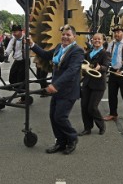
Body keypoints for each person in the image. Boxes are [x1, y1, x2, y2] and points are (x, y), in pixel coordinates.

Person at [29, 24, 84, 155]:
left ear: (74, 37)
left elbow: (72, 71)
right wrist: (32, 44)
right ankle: (60, 142)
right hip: (57, 89)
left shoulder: (77, 51)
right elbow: (46, 55)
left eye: (68, 35)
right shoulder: (59, 47)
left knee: (60, 117)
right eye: (63, 34)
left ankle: (72, 138)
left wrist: (56, 85)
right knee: (53, 117)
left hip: (68, 90)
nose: (65, 37)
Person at [79, 32, 109, 136]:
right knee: (84, 106)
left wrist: (100, 68)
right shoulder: (88, 53)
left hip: (98, 84)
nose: (96, 41)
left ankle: (101, 125)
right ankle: (87, 128)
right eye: (94, 39)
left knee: (92, 107)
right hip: (87, 83)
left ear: (103, 41)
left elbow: (106, 66)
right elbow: (83, 66)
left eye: (99, 39)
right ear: (92, 41)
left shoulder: (105, 53)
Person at [103, 25, 123, 122]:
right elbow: (108, 55)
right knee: (112, 93)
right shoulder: (112, 43)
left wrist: (121, 69)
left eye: (118, 32)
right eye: (115, 32)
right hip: (113, 70)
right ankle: (113, 113)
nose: (116, 34)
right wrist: (106, 65)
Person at [4, 24, 27, 104]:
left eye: (16, 32)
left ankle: (24, 98)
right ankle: (20, 92)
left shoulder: (26, 38)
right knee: (12, 78)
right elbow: (9, 48)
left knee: (22, 80)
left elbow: (32, 45)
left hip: (24, 61)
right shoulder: (13, 39)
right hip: (17, 61)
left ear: (20, 32)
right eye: (13, 32)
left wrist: (27, 43)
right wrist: (5, 54)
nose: (14, 33)